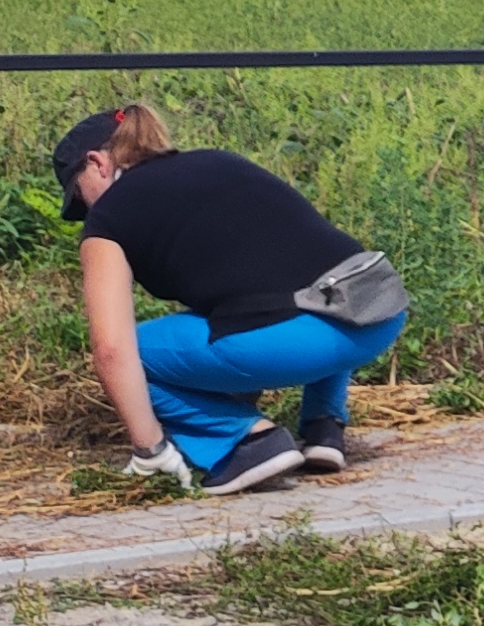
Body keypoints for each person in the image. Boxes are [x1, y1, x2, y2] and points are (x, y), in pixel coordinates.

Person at [52, 103, 408, 496]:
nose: (85, 208)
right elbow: (303, 257)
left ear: (97, 162)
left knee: (136, 353)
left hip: (300, 342)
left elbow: (110, 350)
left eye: (78, 193)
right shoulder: (221, 161)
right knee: (303, 283)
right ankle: (324, 426)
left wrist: (150, 450)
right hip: (377, 312)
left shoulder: (108, 218)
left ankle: (248, 442)